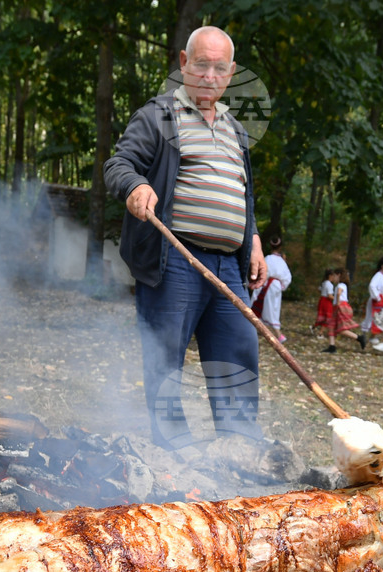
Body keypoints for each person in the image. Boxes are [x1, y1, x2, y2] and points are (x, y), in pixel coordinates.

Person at [104, 26, 268, 449]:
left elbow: (242, 193)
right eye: (200, 65)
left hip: (227, 265)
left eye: (219, 68)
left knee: (239, 347)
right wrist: (135, 187)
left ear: (231, 72)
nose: (208, 76)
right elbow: (119, 164)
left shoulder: (236, 128)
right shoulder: (159, 115)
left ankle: (241, 451)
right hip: (173, 257)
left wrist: (253, 239)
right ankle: (174, 457)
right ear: (183, 63)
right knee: (165, 363)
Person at [251, 236, 292, 342]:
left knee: (266, 308)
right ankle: (274, 334)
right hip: (276, 287)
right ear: (280, 247)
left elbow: (263, 272)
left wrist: (260, 282)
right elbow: (287, 277)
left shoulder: (268, 258)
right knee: (273, 309)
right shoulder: (282, 262)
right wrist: (282, 286)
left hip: (267, 285)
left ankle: (276, 334)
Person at [324, 269, 367, 352]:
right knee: (331, 326)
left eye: (335, 276)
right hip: (339, 306)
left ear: (339, 275)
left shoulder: (341, 285)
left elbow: (339, 293)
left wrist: (338, 302)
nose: (334, 278)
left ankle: (359, 338)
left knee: (341, 329)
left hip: (340, 307)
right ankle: (331, 346)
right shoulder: (342, 285)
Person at [360, 257, 383, 348]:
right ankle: (364, 336)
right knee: (371, 318)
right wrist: (376, 296)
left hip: (379, 300)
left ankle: (372, 336)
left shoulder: (382, 276)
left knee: (377, 318)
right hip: (375, 300)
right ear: (382, 266)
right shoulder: (378, 275)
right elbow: (372, 286)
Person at [314, 268, 339, 334]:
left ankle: (313, 327)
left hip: (322, 300)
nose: (334, 278)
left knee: (322, 316)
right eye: (333, 276)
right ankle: (320, 332)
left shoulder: (324, 283)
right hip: (327, 302)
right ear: (330, 276)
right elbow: (330, 296)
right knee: (327, 317)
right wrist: (336, 299)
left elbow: (319, 289)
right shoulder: (329, 285)